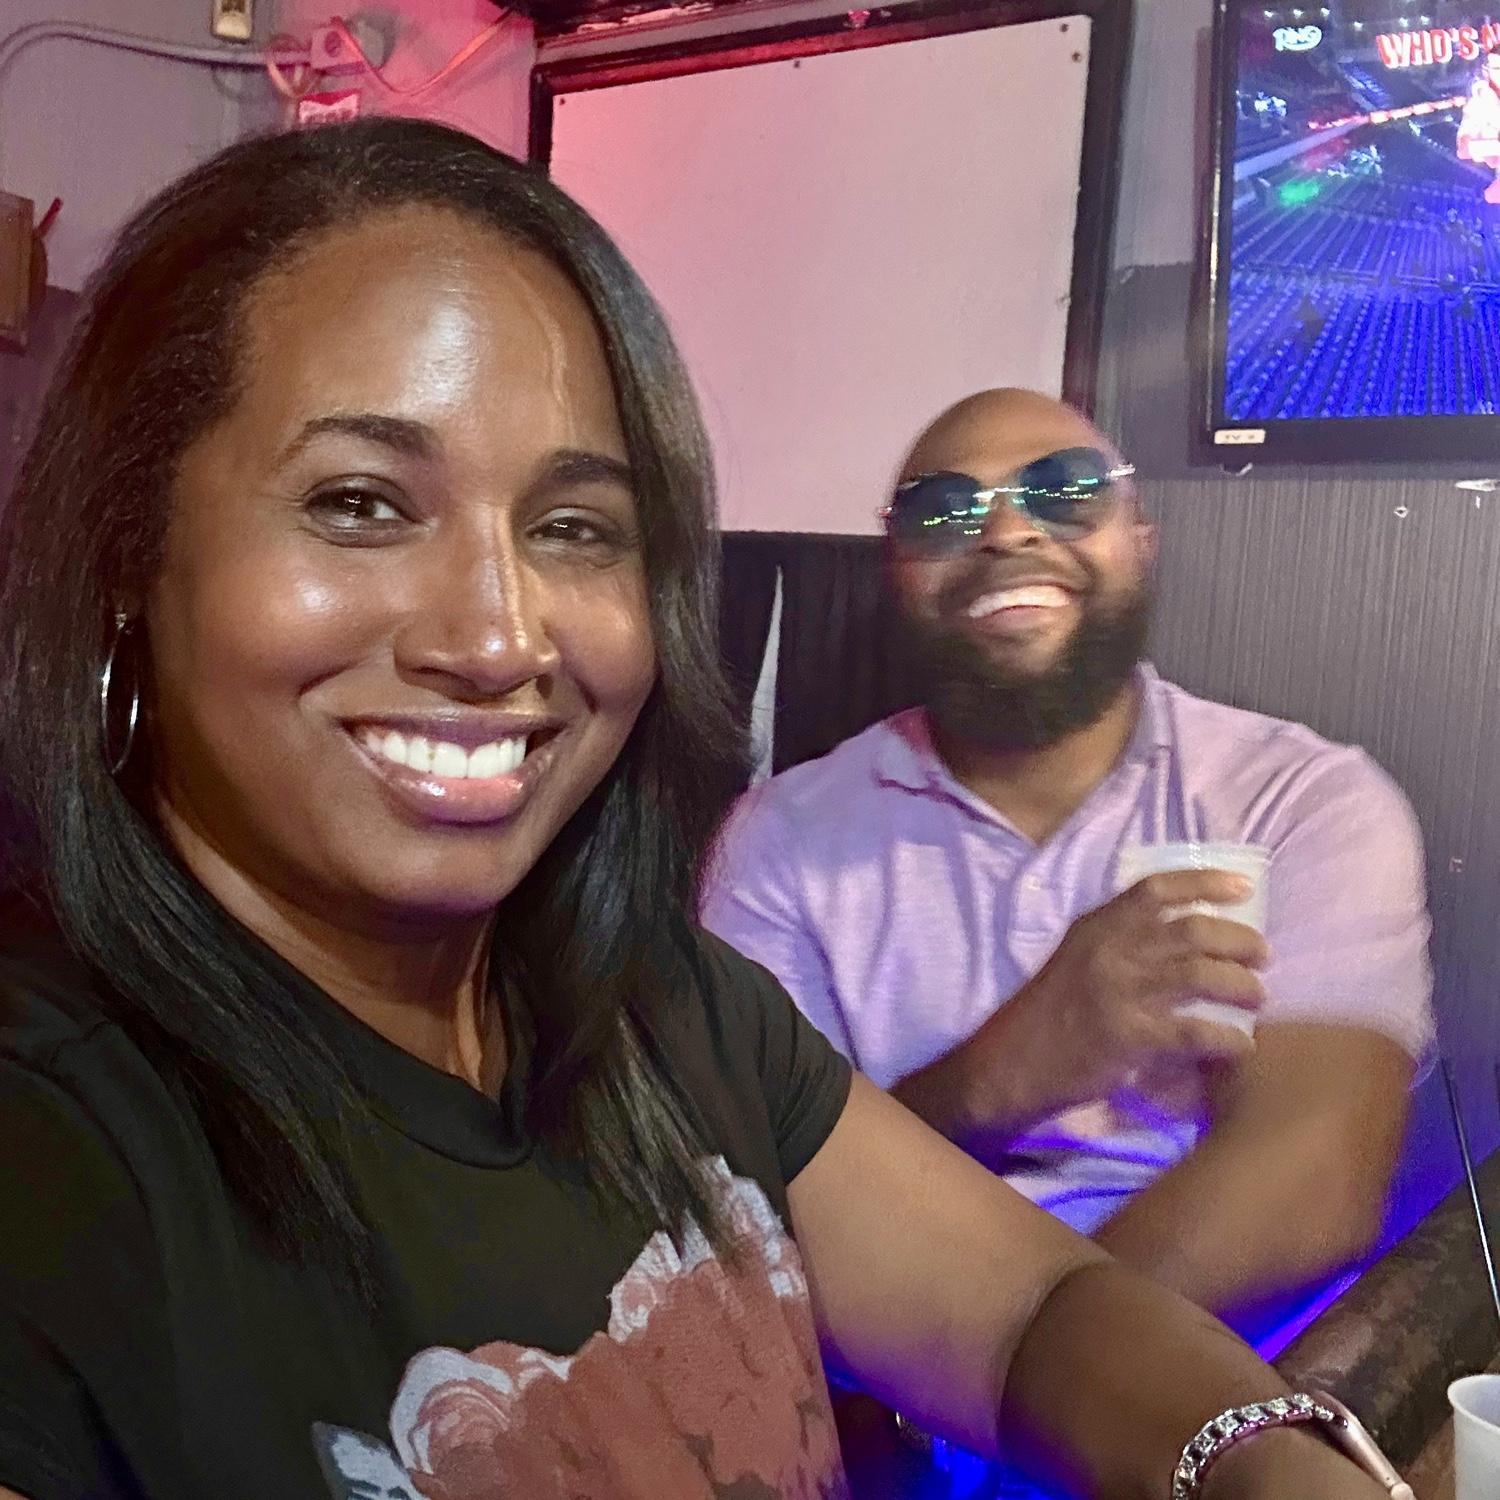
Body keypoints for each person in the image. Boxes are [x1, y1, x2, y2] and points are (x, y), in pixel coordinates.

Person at [0, 121, 1398, 1500]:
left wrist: (1265, 1460)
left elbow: (1028, 1309)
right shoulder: (55, 1157)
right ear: (129, 552)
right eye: (362, 504)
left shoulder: (664, 1006)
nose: (499, 639)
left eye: (573, 527)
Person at [704, 388, 1433, 1328]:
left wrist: (1027, 1379)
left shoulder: (1299, 801)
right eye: (945, 510)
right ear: (897, 573)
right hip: (873, 1359)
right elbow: (763, 1207)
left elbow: (1308, 1186)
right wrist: (995, 1077)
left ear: (1140, 540)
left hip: (1212, 1372)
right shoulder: (777, 843)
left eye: (1066, 490)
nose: (1006, 531)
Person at [1457, 47, 1500, 204]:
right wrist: (1494, 146)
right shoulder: (1478, 105)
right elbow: (1463, 150)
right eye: (1497, 69)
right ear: (1486, 71)